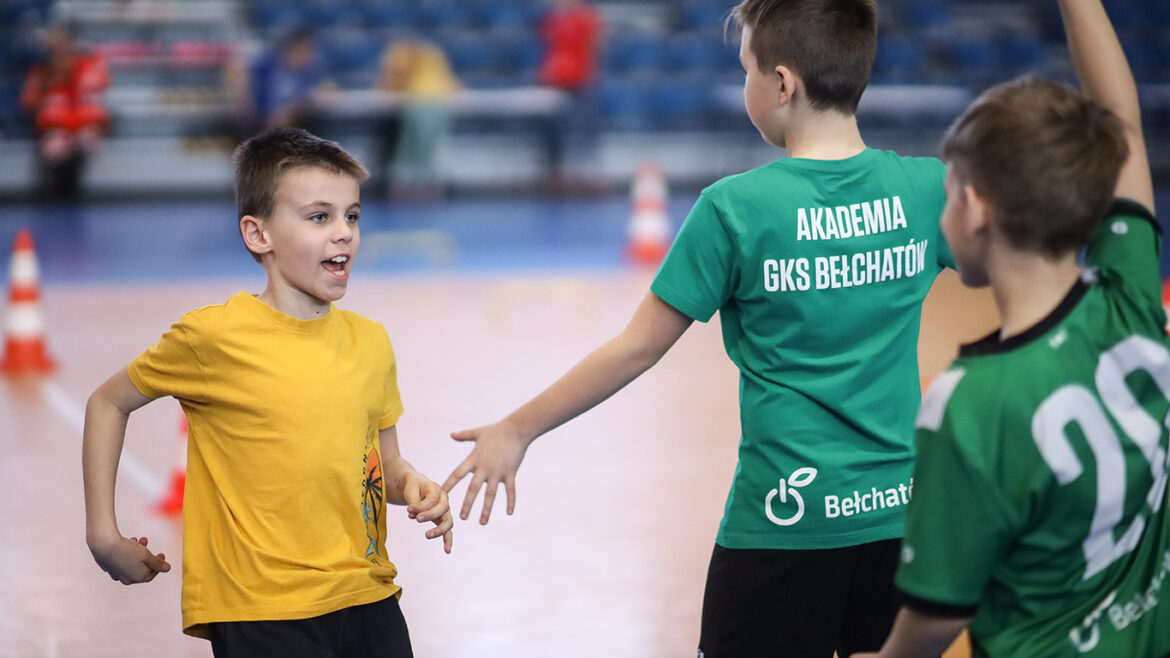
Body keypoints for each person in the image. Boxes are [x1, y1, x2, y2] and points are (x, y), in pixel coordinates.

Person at [444, 1, 955, 655]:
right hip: (902, 517)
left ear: (781, 84)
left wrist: (518, 428)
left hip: (784, 522)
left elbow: (636, 349)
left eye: (746, 70)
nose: (746, 85)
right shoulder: (927, 189)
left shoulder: (733, 209)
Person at [854, 2, 1168, 657]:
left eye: (948, 192)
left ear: (975, 210)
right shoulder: (1132, 297)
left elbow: (935, 617)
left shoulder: (969, 405)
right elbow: (1122, 122)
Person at [82, 127, 453, 656]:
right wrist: (103, 536)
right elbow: (108, 402)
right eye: (319, 217)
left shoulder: (371, 342)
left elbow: (383, 463)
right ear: (259, 235)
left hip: (368, 596)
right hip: (262, 611)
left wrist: (413, 484)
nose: (344, 233)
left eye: (352, 216)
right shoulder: (213, 337)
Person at [20, 24, 109, 200]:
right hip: (54, 128)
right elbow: (28, 103)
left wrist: (72, 75)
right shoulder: (40, 74)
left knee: (86, 141)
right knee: (55, 148)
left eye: (63, 46)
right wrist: (47, 86)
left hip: (82, 125)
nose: (59, 54)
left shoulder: (84, 67)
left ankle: (74, 189)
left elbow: (99, 86)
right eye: (55, 49)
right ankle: (56, 191)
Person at [376, 40, 460, 200]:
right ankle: (427, 190)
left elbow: (393, 78)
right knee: (427, 149)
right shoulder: (433, 55)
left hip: (419, 104)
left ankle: (403, 189)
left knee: (409, 148)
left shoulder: (404, 54)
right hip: (438, 105)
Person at [536, 0, 603, 190]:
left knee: (584, 127)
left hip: (579, 80)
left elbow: (592, 46)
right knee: (552, 129)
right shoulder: (552, 17)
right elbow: (547, 42)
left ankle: (588, 173)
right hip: (554, 79)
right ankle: (556, 172)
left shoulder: (586, 18)